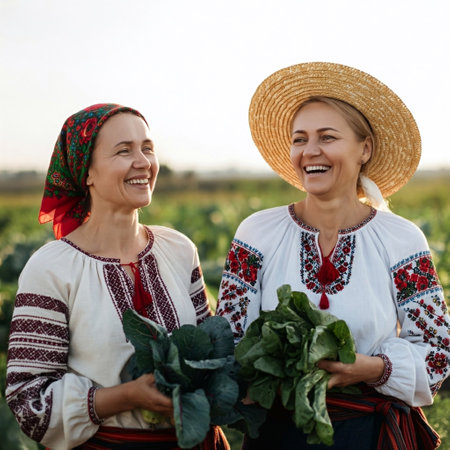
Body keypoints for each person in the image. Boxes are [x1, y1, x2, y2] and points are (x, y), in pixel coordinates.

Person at [216, 62, 449, 449]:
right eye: (300, 139)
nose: (310, 151)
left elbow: (437, 355)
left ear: (365, 149)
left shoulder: (401, 239)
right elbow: (228, 339)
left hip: (366, 432)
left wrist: (371, 369)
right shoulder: (256, 234)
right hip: (277, 433)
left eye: (327, 137)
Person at [6, 104, 229, 449]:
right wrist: (125, 397)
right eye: (124, 150)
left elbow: (213, 353)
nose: (143, 162)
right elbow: (28, 402)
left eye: (147, 148)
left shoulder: (181, 249)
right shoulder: (51, 268)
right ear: (87, 172)